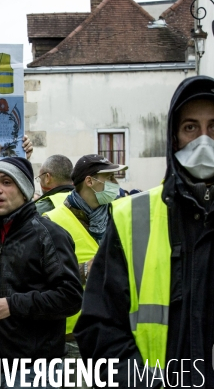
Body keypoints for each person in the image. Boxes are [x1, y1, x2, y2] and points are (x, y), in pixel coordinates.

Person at [75, 76, 214, 387]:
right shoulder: (132, 217)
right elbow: (98, 327)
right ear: (174, 138)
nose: (203, 141)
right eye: (190, 127)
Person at [0, 157, 83, 388]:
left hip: (36, 371)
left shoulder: (49, 234)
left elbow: (71, 297)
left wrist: (12, 305)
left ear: (25, 190)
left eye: (6, 182)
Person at [43, 154, 126, 387]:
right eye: (109, 178)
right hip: (73, 340)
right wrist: (88, 269)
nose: (116, 184)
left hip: (119, 334)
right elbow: (44, 278)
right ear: (89, 181)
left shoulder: (123, 212)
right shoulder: (51, 220)